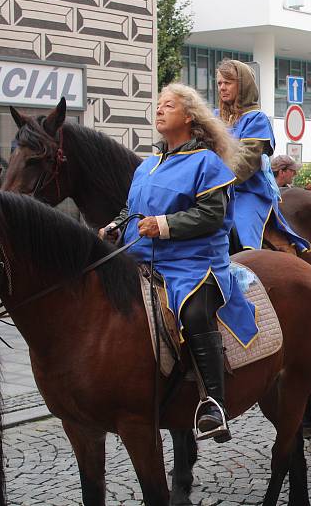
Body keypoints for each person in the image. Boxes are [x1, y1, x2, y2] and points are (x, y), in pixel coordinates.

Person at [100, 83, 253, 443]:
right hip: (143, 256)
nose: (159, 110)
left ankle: (214, 403)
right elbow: (132, 209)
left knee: (196, 312)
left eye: (168, 105)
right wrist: (113, 227)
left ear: (188, 117)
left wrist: (163, 225)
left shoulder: (207, 163)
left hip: (195, 262)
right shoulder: (147, 166)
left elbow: (212, 215)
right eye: (157, 105)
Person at [214, 60, 311, 256]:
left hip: (247, 192)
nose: (222, 87)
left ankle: (249, 280)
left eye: (228, 82)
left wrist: (214, 181)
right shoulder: (214, 118)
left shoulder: (256, 119)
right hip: (214, 190)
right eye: (219, 83)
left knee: (243, 236)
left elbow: (246, 161)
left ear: (243, 85)